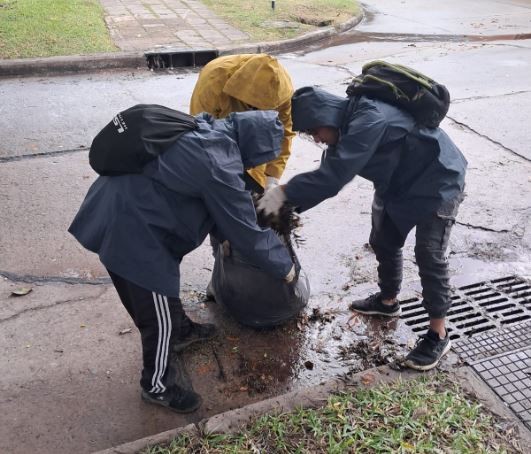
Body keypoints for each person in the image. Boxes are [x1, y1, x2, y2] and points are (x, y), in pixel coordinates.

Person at [69, 110, 295, 413]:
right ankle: (157, 385)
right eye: (261, 156)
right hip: (132, 230)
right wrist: (285, 267)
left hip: (123, 209)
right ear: (254, 146)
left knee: (158, 294)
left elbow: (213, 205)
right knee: (156, 313)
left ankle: (181, 331)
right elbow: (245, 230)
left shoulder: (207, 132)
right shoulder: (218, 162)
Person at [258, 86, 467, 371]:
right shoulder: (343, 130)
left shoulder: (368, 119)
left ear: (326, 116)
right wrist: (286, 207)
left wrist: (281, 195)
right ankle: (387, 301)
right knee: (383, 239)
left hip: (439, 178)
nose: (316, 139)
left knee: (429, 253)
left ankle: (438, 334)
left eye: (315, 131)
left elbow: (333, 178)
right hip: (398, 182)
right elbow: (323, 180)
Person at [190, 53, 295, 193]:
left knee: (253, 184)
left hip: (251, 144)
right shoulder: (213, 80)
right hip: (217, 126)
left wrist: (272, 177)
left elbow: (283, 134)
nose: (259, 114)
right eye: (255, 107)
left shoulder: (281, 91)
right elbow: (201, 134)